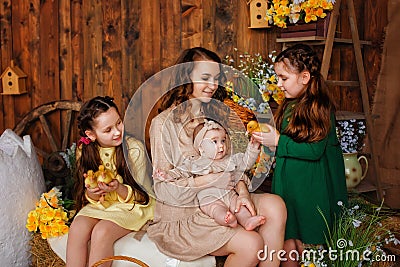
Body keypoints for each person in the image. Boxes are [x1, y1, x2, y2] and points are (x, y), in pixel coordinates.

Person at [147, 47, 286, 267]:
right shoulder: (163, 124)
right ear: (185, 77)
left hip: (225, 196)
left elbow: (232, 164)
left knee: (275, 205)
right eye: (205, 78)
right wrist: (208, 181)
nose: (213, 86)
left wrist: (242, 194)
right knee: (251, 244)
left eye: (216, 79)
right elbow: (164, 190)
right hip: (187, 213)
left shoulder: (216, 115)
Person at [251, 44, 348, 266]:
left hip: (310, 187)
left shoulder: (319, 107)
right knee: (288, 239)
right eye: (277, 78)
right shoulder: (290, 103)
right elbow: (288, 139)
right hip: (289, 184)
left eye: (283, 78)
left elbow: (314, 151)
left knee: (307, 241)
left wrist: (278, 142)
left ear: (305, 77)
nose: (278, 84)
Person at [66, 96, 155, 267]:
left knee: (101, 232)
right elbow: (87, 193)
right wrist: (92, 193)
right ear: (90, 135)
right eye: (108, 130)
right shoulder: (83, 151)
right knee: (77, 227)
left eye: (119, 123)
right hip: (103, 205)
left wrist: (119, 188)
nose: (117, 131)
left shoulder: (133, 149)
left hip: (133, 205)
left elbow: (142, 196)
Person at [154, 119, 266, 230]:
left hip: (229, 194)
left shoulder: (229, 160)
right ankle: (226, 219)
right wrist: (167, 175)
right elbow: (180, 172)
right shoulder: (196, 162)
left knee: (238, 206)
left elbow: (245, 163)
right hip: (208, 197)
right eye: (214, 142)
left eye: (223, 141)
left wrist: (253, 147)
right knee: (215, 209)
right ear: (201, 148)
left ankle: (247, 221)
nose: (221, 146)